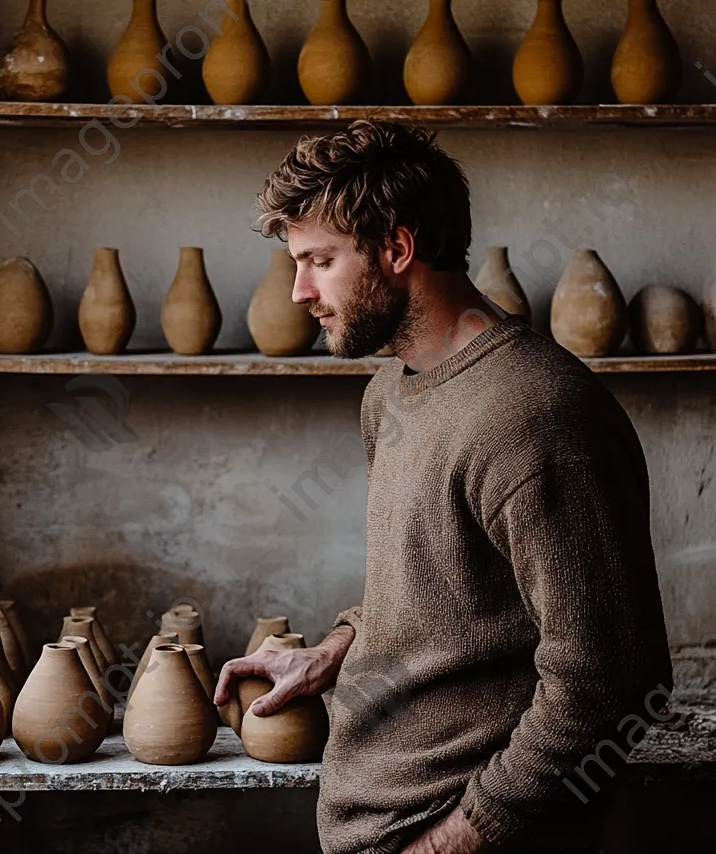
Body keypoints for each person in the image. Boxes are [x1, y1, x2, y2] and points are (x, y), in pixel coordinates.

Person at [214, 121, 672, 854]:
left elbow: (611, 685)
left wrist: (454, 841)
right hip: (373, 821)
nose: (299, 292)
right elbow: (441, 589)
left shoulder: (537, 415)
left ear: (397, 249)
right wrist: (334, 649)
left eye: (320, 261)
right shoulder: (390, 393)